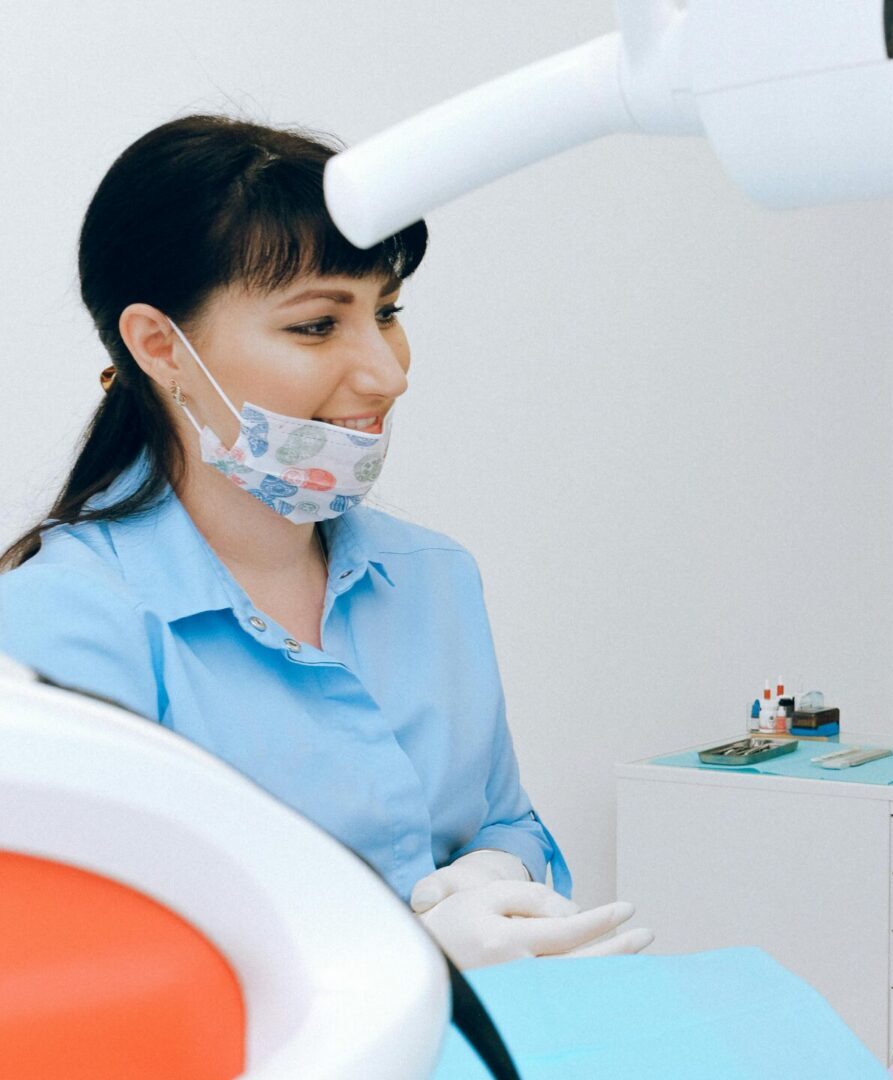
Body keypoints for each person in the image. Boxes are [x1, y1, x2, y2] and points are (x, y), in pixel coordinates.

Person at [0, 115, 649, 969]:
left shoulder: (432, 579)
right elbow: (82, 974)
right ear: (161, 346)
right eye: (317, 326)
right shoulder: (61, 628)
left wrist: (498, 866)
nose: (387, 372)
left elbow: (503, 821)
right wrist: (406, 964)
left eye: (388, 311)